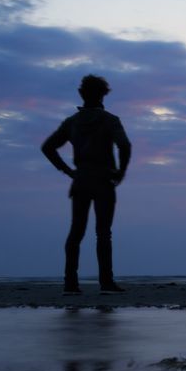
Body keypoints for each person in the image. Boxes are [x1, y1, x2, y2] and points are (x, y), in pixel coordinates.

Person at [41, 74, 132, 294]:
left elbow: (48, 147)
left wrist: (68, 171)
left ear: (82, 94)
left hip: (81, 180)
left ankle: (70, 283)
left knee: (76, 231)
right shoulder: (110, 120)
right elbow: (125, 146)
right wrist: (121, 171)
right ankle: (106, 283)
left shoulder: (72, 122)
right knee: (103, 232)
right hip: (103, 180)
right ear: (104, 94)